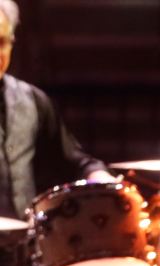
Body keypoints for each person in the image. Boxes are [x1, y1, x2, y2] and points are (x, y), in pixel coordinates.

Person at [0, 1, 115, 218]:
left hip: (24, 244)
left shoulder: (32, 101)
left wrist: (98, 176)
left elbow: (74, 161)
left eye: (1, 42)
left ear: (12, 43)